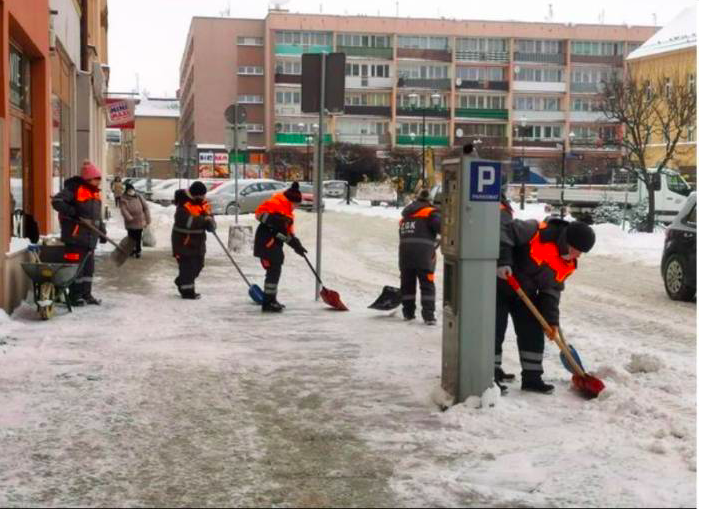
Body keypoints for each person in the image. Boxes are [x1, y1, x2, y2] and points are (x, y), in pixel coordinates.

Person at [496, 216, 596, 394]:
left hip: (524, 292)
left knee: (532, 331)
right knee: (494, 330)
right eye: (578, 250)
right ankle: (491, 376)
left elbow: (551, 291)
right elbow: (504, 230)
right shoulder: (536, 231)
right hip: (501, 282)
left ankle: (532, 378)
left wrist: (551, 321)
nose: (579, 255)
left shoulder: (568, 264)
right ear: (568, 241)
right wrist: (504, 261)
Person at [51, 160, 107, 306]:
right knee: (75, 268)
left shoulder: (95, 194)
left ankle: (86, 294)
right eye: (97, 179)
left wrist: (102, 230)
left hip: (90, 238)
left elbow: (96, 216)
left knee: (88, 269)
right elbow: (57, 201)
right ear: (89, 179)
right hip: (76, 237)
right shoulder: (74, 188)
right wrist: (72, 212)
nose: (99, 182)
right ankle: (75, 296)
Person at [253, 181, 307, 312]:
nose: (295, 208)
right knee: (273, 270)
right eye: (296, 205)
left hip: (274, 243)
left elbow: (287, 234)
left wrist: (297, 245)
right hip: (266, 242)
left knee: (275, 270)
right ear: (291, 201)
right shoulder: (276, 203)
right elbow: (258, 214)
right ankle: (268, 303)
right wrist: (275, 220)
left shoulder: (288, 213)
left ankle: (271, 299)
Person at [398, 188, 441, 325]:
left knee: (407, 284)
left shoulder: (406, 215)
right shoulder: (430, 212)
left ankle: (408, 313)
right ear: (429, 201)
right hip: (423, 256)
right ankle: (428, 316)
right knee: (427, 284)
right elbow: (442, 228)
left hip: (405, 255)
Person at [171, 181, 215, 299]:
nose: (202, 197)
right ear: (194, 194)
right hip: (184, 243)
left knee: (198, 265)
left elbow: (210, 216)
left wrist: (211, 223)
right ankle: (187, 292)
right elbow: (187, 222)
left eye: (203, 195)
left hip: (199, 243)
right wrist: (203, 220)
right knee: (187, 267)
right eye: (200, 195)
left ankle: (181, 281)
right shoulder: (183, 205)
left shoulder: (203, 204)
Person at [494, 189, 517, 385]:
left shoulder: (489, 206)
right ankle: (491, 371)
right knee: (495, 323)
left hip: (485, 268)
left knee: (495, 323)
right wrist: (504, 261)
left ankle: (493, 368)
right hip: (494, 272)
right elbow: (503, 236)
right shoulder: (500, 209)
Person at [119, 182, 151, 258]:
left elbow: (146, 208)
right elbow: (123, 209)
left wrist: (148, 219)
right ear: (126, 191)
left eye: (132, 190)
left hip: (139, 221)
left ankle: (138, 250)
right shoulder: (124, 199)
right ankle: (131, 250)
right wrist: (129, 217)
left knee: (138, 237)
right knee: (131, 237)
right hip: (130, 222)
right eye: (129, 190)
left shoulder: (139, 197)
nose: (131, 191)